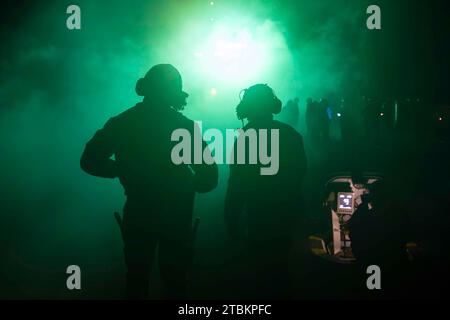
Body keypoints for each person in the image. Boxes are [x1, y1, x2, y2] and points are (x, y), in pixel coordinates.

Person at [80, 64, 218, 299]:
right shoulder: (183, 126)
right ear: (175, 92)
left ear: (146, 88)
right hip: (176, 216)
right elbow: (209, 179)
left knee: (136, 280)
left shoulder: (122, 122)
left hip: (138, 212)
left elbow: (89, 160)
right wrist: (186, 184)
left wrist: (122, 170)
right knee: (175, 283)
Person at [224, 84, 307, 299]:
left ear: (246, 108)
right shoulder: (291, 134)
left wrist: (231, 217)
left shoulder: (245, 137)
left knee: (260, 273)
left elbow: (237, 183)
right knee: (280, 271)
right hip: (285, 214)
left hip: (258, 215)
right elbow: (299, 174)